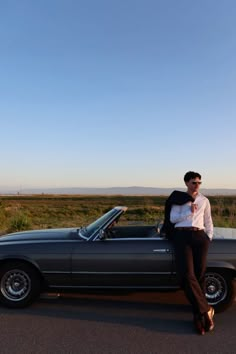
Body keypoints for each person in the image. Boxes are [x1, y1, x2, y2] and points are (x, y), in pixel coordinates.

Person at [168, 171, 214, 335]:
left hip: (200, 237)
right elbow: (173, 219)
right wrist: (189, 211)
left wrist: (208, 237)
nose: (197, 185)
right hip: (182, 237)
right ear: (187, 183)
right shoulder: (179, 199)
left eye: (199, 182)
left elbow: (208, 220)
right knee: (188, 275)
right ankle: (206, 310)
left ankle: (198, 316)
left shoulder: (204, 200)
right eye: (194, 182)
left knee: (200, 275)